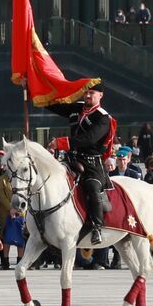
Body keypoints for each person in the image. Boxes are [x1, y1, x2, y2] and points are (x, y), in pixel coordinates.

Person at [45, 82, 114, 244]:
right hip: (72, 159)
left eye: (92, 93)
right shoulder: (77, 108)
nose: (88, 96)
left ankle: (97, 227)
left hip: (92, 163)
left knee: (92, 187)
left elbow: (89, 139)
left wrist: (62, 143)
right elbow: (55, 106)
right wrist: (37, 92)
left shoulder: (103, 117)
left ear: (100, 95)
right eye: (86, 93)